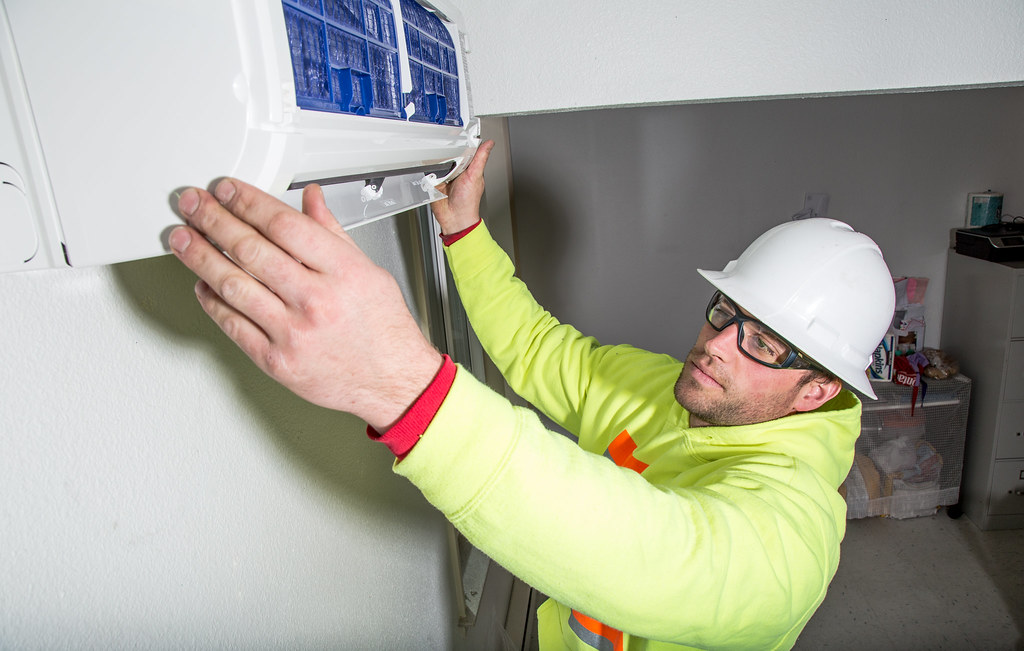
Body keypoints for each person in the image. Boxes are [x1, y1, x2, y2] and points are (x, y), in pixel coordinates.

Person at [169, 140, 895, 650]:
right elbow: (545, 352)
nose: (715, 343)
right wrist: (464, 235)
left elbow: (656, 553)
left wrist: (401, 384)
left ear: (818, 388)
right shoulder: (673, 392)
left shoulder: (794, 540)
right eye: (724, 310)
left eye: (764, 343)